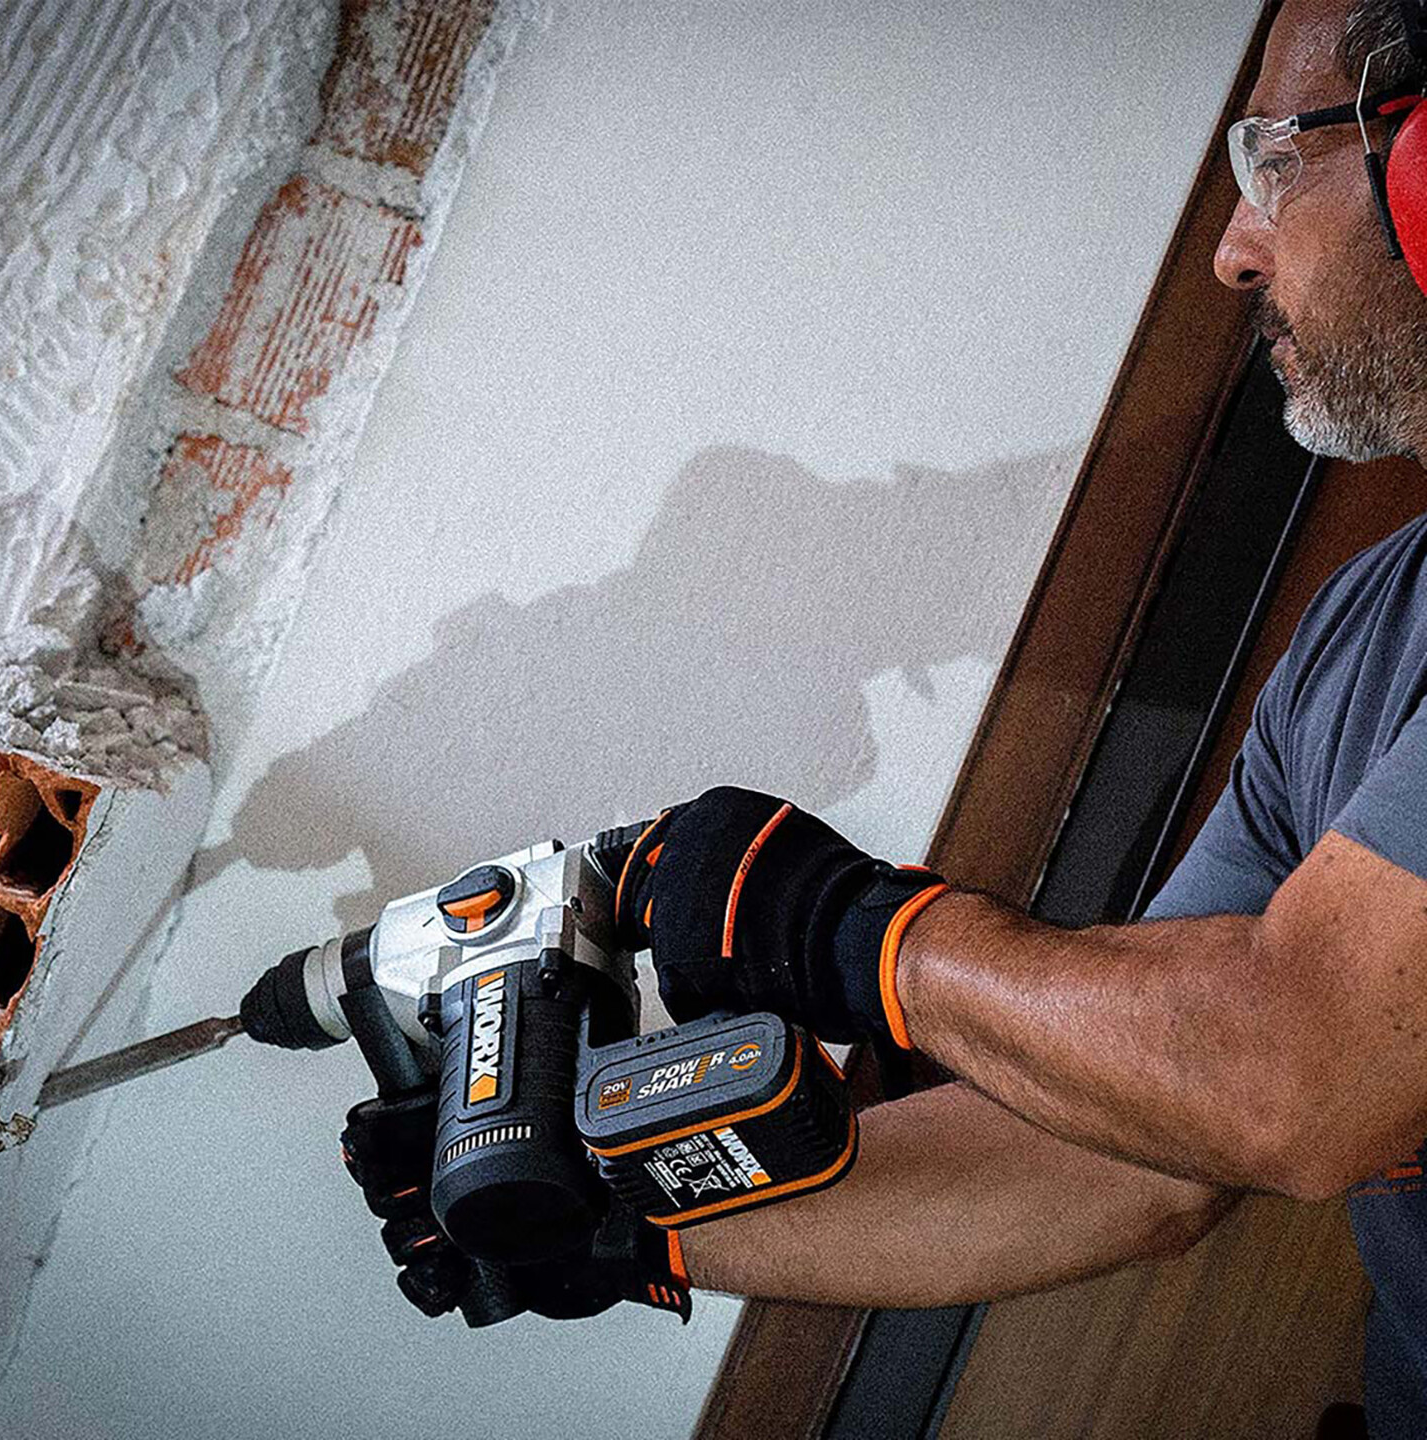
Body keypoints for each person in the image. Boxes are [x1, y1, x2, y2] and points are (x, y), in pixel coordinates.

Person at [343, 1, 1427, 1434]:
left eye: (1278, 159)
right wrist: (622, 1214)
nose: (1235, 247)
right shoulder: (1365, 631)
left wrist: (858, 930)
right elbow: (1144, 1147)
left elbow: (1292, 1075)